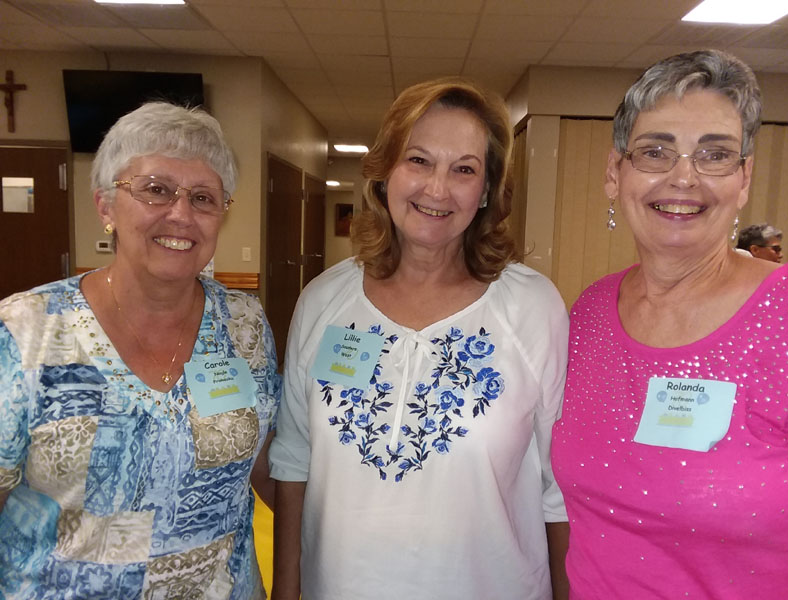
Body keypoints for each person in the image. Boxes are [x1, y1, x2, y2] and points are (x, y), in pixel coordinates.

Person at [269, 78, 569, 600]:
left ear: (486, 191)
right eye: (418, 160)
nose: (437, 188)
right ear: (385, 172)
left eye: (464, 169)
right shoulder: (323, 301)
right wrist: (286, 590)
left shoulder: (532, 308)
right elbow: (293, 458)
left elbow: (557, 487)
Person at [0, 102, 281, 598]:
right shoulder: (25, 330)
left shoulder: (243, 325)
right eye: (155, 190)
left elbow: (264, 464)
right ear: (105, 206)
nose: (181, 214)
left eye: (203, 197)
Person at [551, 50, 788, 599]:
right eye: (655, 151)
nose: (684, 177)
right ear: (615, 174)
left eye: (715, 155)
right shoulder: (590, 312)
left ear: (743, 178)